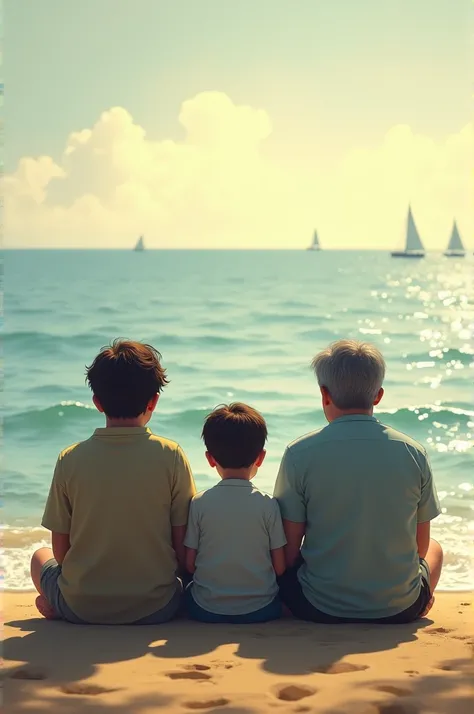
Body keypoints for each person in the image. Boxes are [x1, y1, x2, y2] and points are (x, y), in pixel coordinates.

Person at [274, 339, 443, 624]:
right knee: (437, 547)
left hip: (318, 607)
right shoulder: (413, 452)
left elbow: (289, 551)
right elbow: (421, 547)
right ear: (378, 396)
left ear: (324, 395)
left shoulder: (298, 454)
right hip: (400, 608)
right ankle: (418, 599)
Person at [31, 340, 196, 625]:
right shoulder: (171, 456)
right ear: (153, 401)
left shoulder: (69, 459)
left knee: (39, 556)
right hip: (157, 607)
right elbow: (181, 545)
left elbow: (60, 551)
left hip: (82, 606)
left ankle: (61, 606)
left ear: (97, 402)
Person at [184, 403, 286, 623]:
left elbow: (190, 565)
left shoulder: (199, 503)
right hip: (262, 609)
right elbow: (279, 568)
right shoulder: (268, 505)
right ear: (260, 457)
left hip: (206, 610)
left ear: (210, 459)